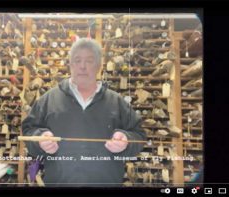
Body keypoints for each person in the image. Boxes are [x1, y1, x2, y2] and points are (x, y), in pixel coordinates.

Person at [22, 38, 146, 187]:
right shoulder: (49, 99)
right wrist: (40, 139)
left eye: (89, 61)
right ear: (70, 64)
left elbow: (139, 136)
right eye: (77, 60)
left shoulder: (116, 102)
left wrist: (126, 141)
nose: (82, 66)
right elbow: (28, 132)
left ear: (99, 66)